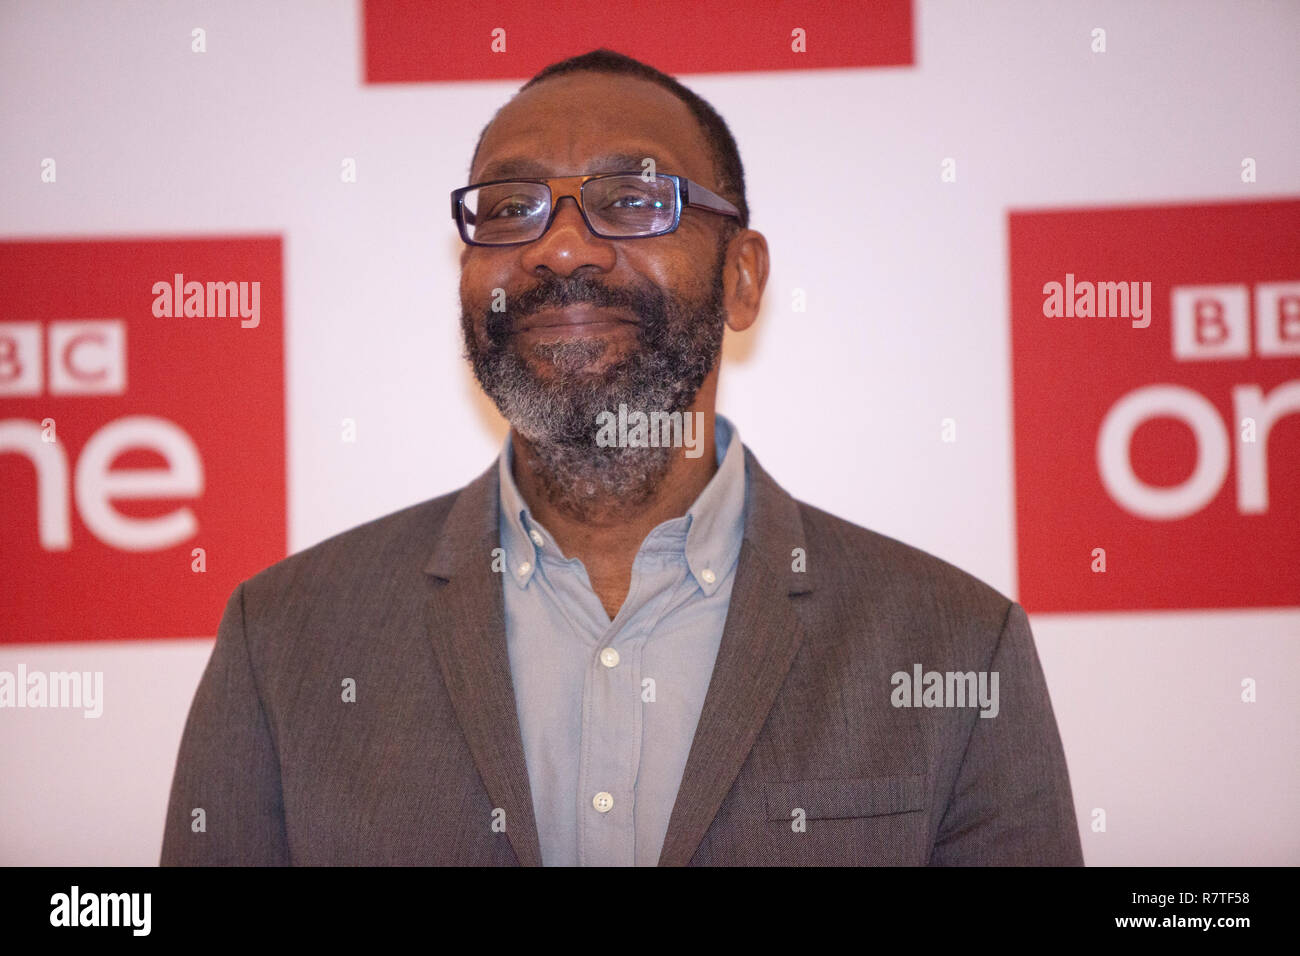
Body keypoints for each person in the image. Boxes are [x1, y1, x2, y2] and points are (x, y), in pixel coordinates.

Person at [161, 48, 1083, 866]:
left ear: (743, 276)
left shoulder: (956, 646)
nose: (561, 247)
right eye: (512, 208)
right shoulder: (282, 642)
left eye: (633, 200)